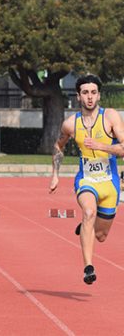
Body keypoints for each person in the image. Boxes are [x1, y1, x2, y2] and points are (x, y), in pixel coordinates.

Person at [50, 74, 124, 285]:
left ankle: (84, 228)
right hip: (86, 180)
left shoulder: (110, 117)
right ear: (78, 96)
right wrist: (55, 174)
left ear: (99, 95)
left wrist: (102, 147)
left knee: (100, 235)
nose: (89, 97)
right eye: (85, 93)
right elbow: (58, 147)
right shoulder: (71, 124)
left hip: (110, 184)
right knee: (89, 212)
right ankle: (88, 267)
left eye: (93, 92)